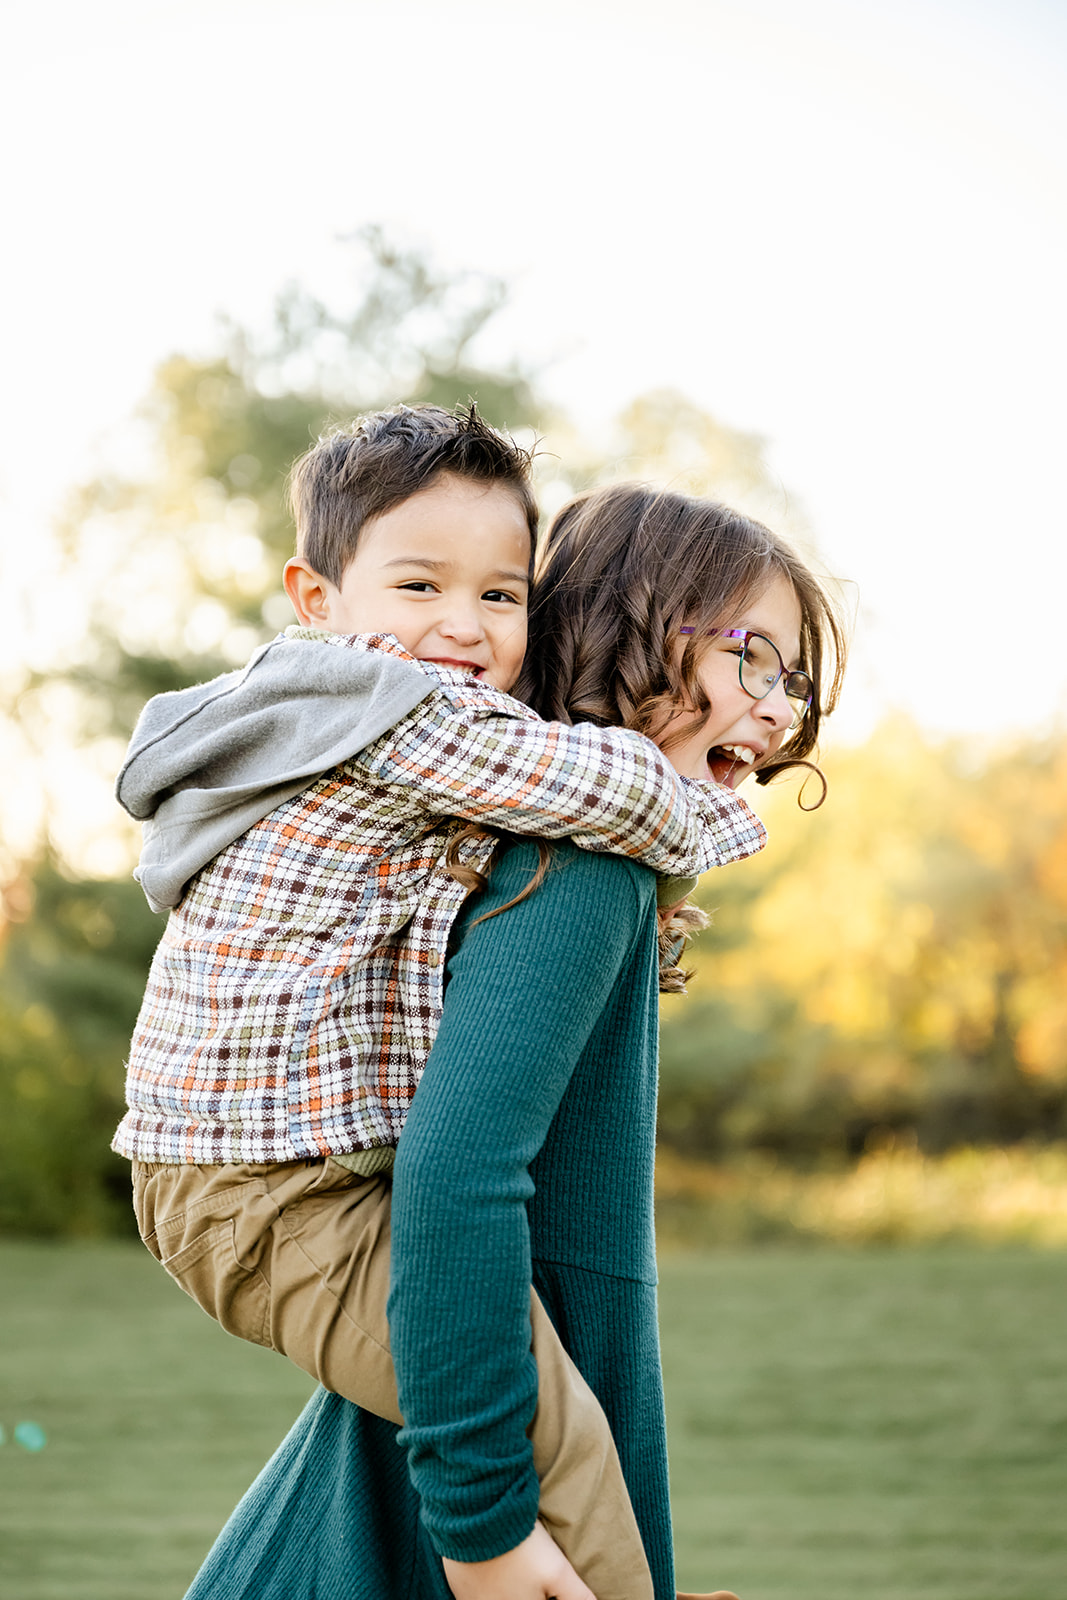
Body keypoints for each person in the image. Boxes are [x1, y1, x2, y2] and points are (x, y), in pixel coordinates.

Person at [113, 407, 768, 1600]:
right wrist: (717, 783)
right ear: (317, 598)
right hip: (260, 1195)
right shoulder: (384, 710)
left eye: (501, 597)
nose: (462, 629)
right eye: (419, 584)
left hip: (274, 1173)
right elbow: (610, 790)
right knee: (531, 1430)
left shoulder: (370, 718)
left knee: (526, 1411)